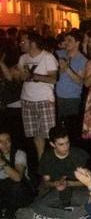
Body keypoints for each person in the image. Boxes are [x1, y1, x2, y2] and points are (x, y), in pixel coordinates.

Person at [33, 125, 90, 219]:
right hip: (59, 192)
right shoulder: (47, 157)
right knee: (37, 206)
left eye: (67, 142)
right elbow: (46, 182)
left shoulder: (79, 154)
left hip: (79, 191)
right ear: (52, 144)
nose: (66, 147)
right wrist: (55, 184)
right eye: (61, 144)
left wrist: (69, 183)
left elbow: (88, 183)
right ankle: (78, 216)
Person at [17, 32, 58, 160]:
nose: (20, 44)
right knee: (36, 134)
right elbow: (20, 77)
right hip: (27, 100)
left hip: (44, 100)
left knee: (49, 134)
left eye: (23, 41)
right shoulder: (23, 58)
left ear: (33, 43)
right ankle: (41, 162)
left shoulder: (47, 57)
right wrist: (19, 76)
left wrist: (34, 76)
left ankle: (55, 162)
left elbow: (53, 79)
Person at [55, 30, 87, 141]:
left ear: (77, 43)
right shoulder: (59, 54)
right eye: (65, 40)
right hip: (57, 97)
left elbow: (80, 80)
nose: (66, 43)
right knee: (59, 130)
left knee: (71, 129)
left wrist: (67, 69)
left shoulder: (82, 59)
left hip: (72, 99)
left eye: (70, 40)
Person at [0, 131, 34, 219]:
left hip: (21, 192)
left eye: (7, 141)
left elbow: (18, 178)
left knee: (16, 187)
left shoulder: (19, 154)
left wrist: (2, 162)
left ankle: (9, 214)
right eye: (1, 142)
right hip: (4, 192)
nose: (5, 145)